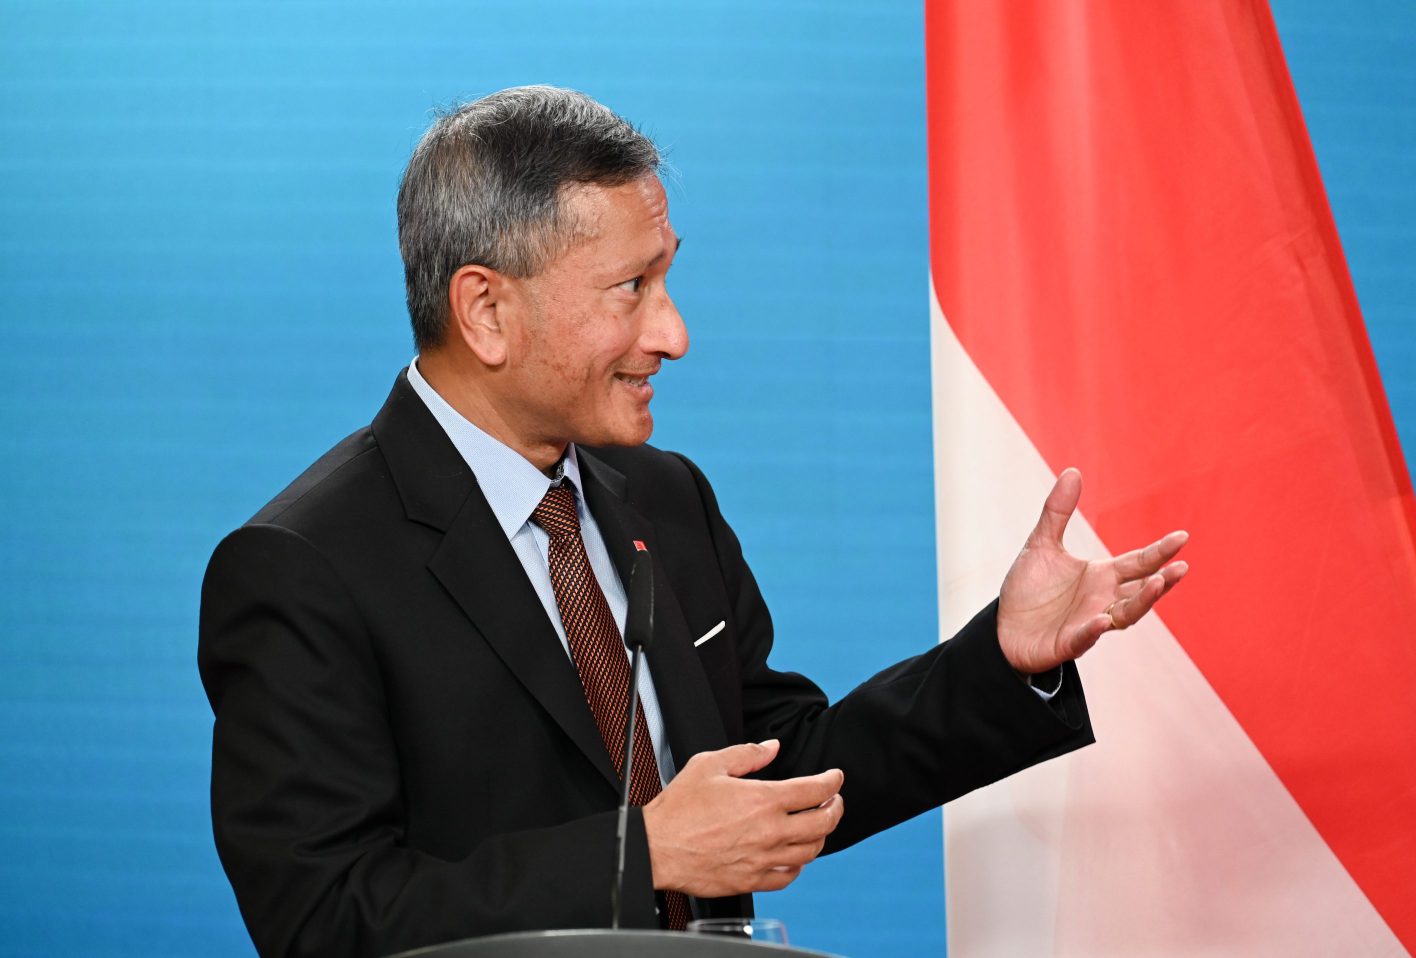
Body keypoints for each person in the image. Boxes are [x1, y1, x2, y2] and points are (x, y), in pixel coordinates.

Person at [198, 85, 1188, 958]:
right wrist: (643, 854)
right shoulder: (302, 567)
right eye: (631, 289)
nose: (673, 333)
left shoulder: (665, 498)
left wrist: (1002, 660)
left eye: (666, 278)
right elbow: (325, 920)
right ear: (486, 311)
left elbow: (778, 771)